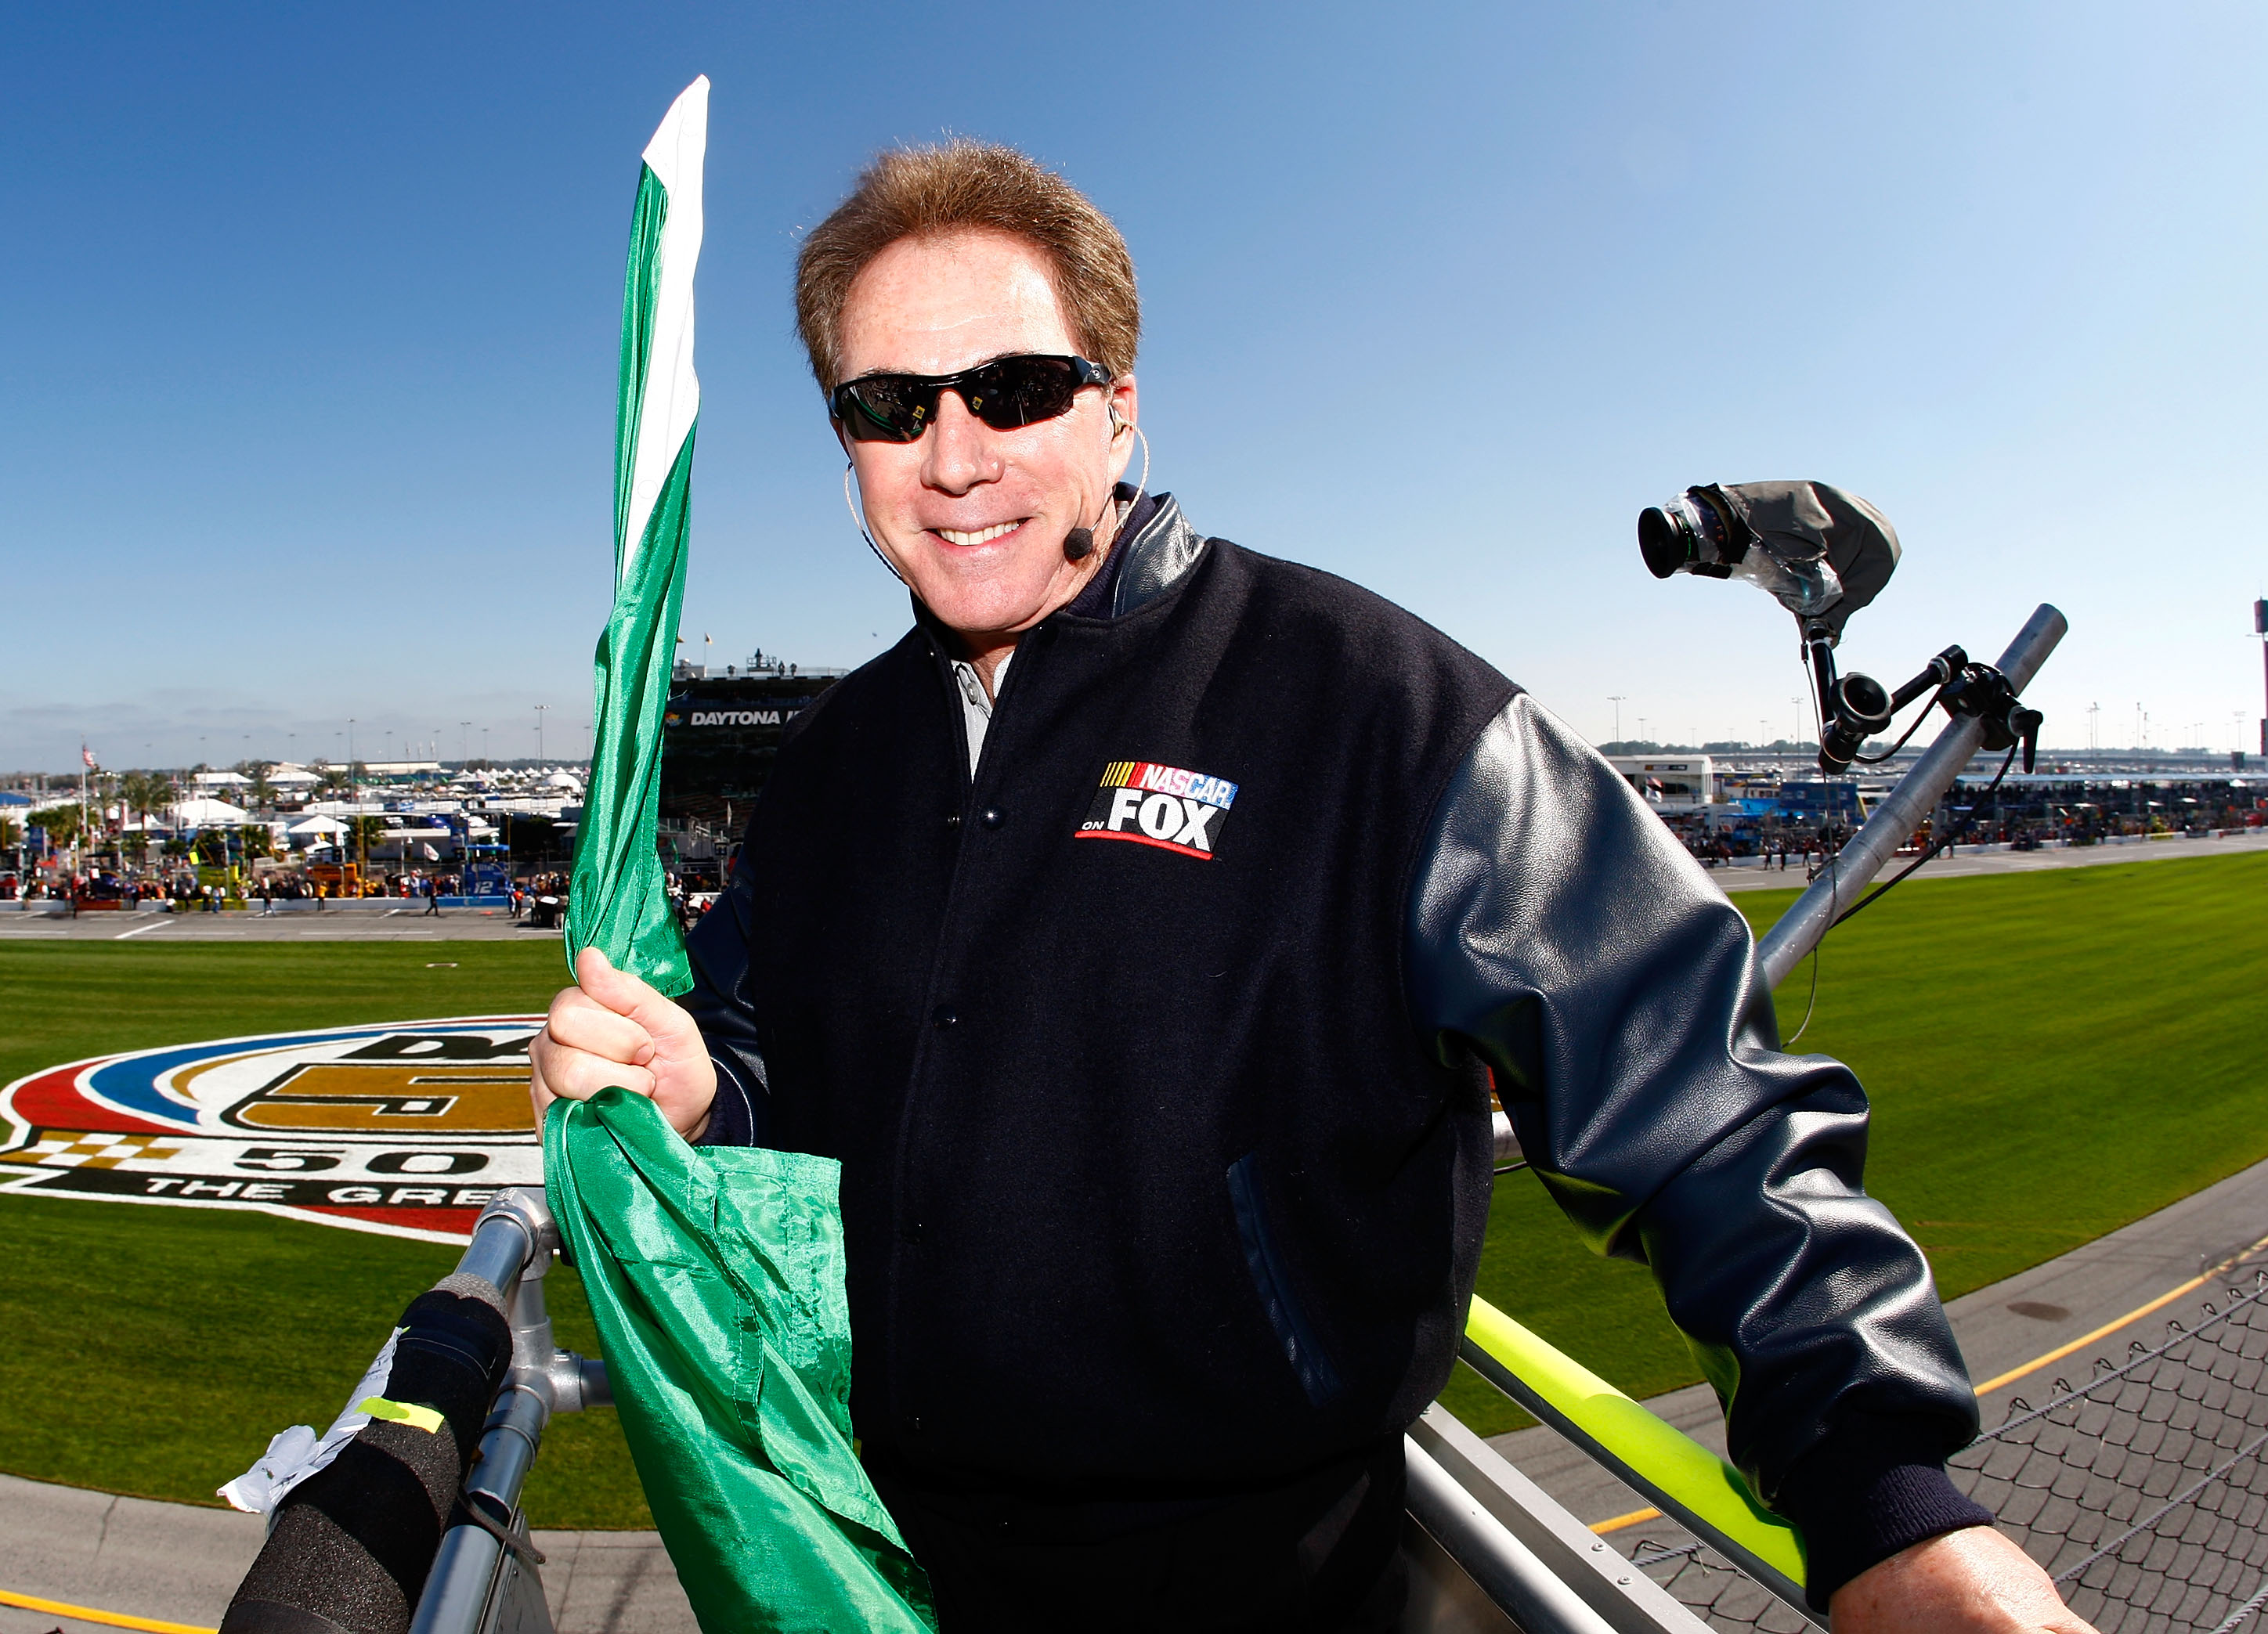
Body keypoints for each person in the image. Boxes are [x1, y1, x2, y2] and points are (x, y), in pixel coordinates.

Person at [530, 142, 2092, 1634]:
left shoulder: (1375, 706)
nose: (953, 457)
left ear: (1119, 413)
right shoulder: (829, 765)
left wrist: (1886, 1501)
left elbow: (1698, 1096)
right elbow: (768, 1063)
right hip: (872, 1561)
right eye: (888, 404)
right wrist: (700, 1093)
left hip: (1266, 1587)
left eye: (1012, 389)